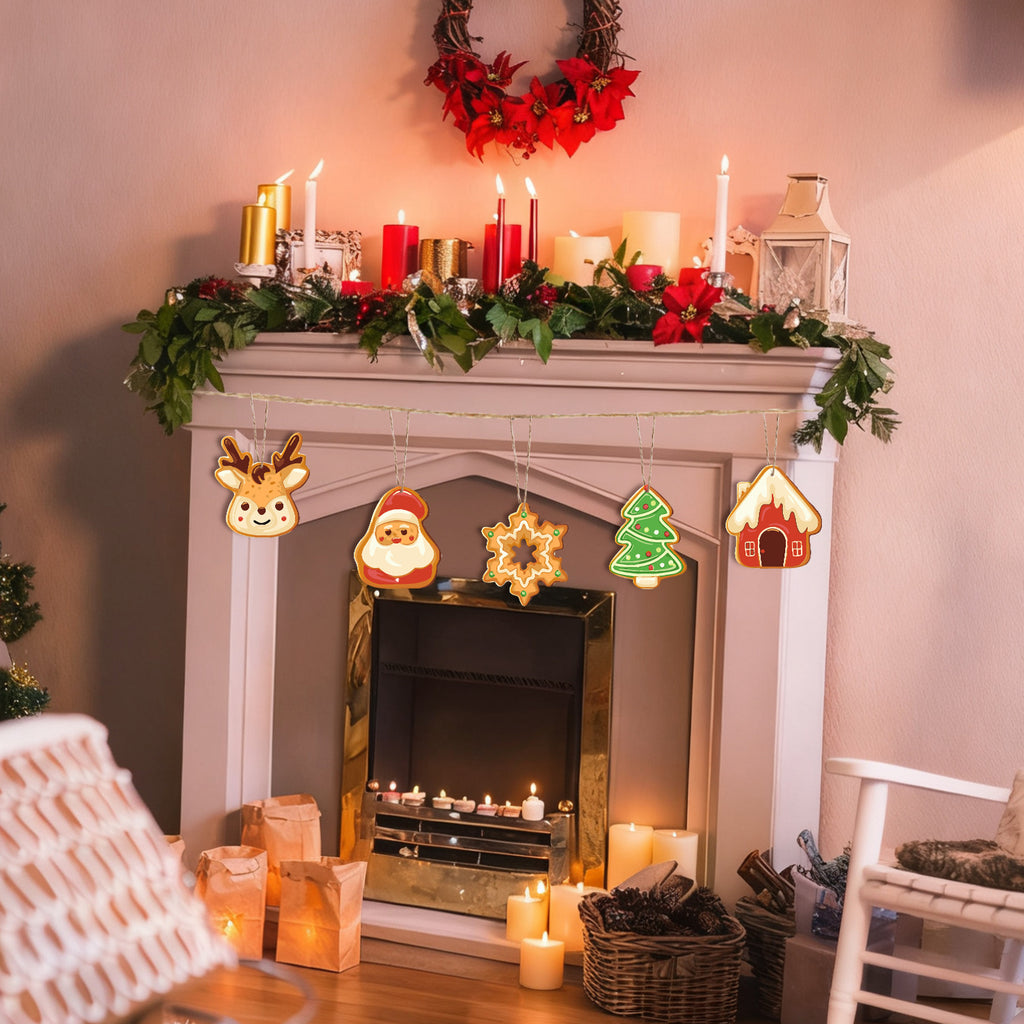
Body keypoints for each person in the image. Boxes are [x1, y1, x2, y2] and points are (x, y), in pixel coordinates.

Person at [354, 487, 440, 588]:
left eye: (404, 532)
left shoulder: (422, 562)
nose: (396, 538)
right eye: (388, 532)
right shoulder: (372, 563)